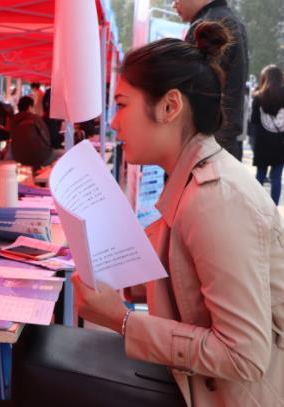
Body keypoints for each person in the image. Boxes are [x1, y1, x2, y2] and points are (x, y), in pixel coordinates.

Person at [72, 22, 284, 406]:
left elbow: (244, 355)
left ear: (170, 106)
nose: (115, 122)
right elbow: (190, 285)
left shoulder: (216, 200)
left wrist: (122, 320)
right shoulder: (192, 184)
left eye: (121, 105)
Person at [174, 0, 249, 161]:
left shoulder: (210, 24)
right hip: (218, 144)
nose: (174, 5)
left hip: (207, 147)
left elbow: (194, 92)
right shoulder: (227, 20)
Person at [250, 64, 284, 205]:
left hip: (262, 142)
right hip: (281, 142)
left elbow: (254, 120)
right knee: (276, 178)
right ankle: (273, 209)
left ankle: (258, 207)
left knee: (260, 175)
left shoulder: (258, 97)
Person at [8, 96, 63, 168]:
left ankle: (35, 173)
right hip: (39, 157)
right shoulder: (35, 118)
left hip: (19, 157)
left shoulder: (13, 120)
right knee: (64, 153)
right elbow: (47, 140)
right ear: (29, 107)